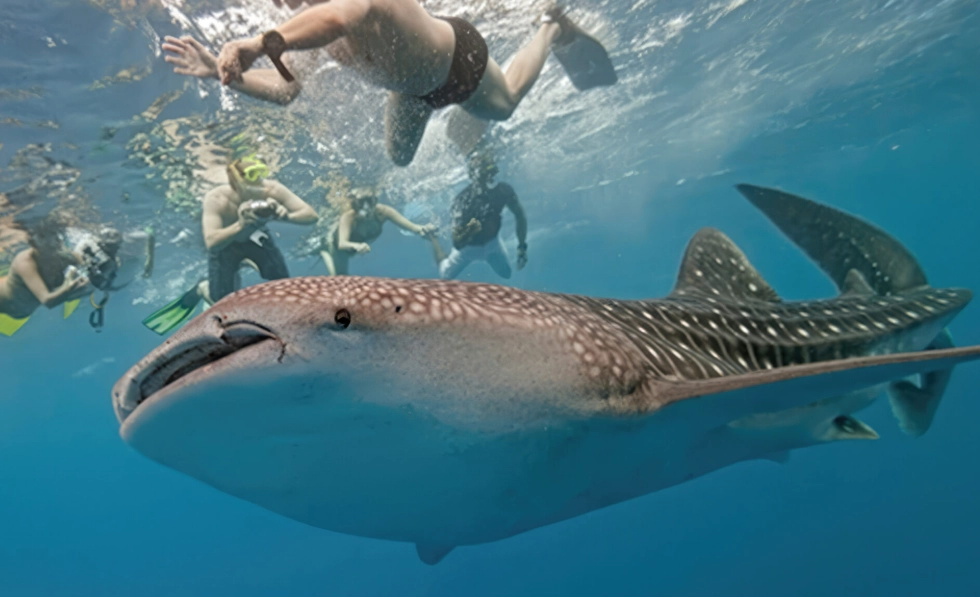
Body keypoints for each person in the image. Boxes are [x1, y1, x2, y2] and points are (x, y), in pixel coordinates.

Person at [213, 1, 616, 166]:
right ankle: (461, 118)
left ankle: (551, 27)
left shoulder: (329, 14)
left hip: (458, 59)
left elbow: (339, 17)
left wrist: (256, 43)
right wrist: (234, 76)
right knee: (400, 158)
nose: (285, 6)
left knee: (507, 103)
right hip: (412, 93)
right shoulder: (303, 25)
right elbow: (287, 90)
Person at [143, 156, 318, 334]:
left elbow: (311, 216)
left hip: (255, 236)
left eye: (261, 172)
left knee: (283, 285)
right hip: (226, 243)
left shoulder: (272, 189)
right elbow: (212, 243)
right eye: (251, 175)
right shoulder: (217, 198)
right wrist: (240, 225)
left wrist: (285, 216)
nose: (258, 180)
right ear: (235, 180)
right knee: (223, 303)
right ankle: (202, 288)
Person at [0, 219, 153, 336]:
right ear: (34, 244)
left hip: (20, 309)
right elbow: (47, 300)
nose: (55, 244)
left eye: (56, 240)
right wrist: (70, 286)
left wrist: (108, 267)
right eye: (49, 242)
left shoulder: (56, 252)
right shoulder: (25, 262)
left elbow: (81, 260)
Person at [430, 153, 527, 280]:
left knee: (506, 274)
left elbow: (519, 215)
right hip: (468, 250)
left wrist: (522, 246)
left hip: (493, 244)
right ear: (473, 176)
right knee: (444, 276)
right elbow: (457, 243)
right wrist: (467, 233)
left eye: (491, 169)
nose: (489, 176)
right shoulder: (463, 201)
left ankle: (496, 240)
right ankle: (432, 237)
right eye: (484, 172)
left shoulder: (504, 190)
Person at [320, 187, 437, 276]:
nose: (367, 212)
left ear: (374, 203)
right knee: (340, 278)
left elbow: (413, 227)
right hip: (336, 246)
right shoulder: (348, 217)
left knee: (343, 275)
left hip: (355, 246)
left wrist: (424, 229)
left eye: (370, 206)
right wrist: (357, 246)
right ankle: (325, 252)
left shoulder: (384, 212)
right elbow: (342, 244)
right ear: (355, 207)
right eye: (362, 208)